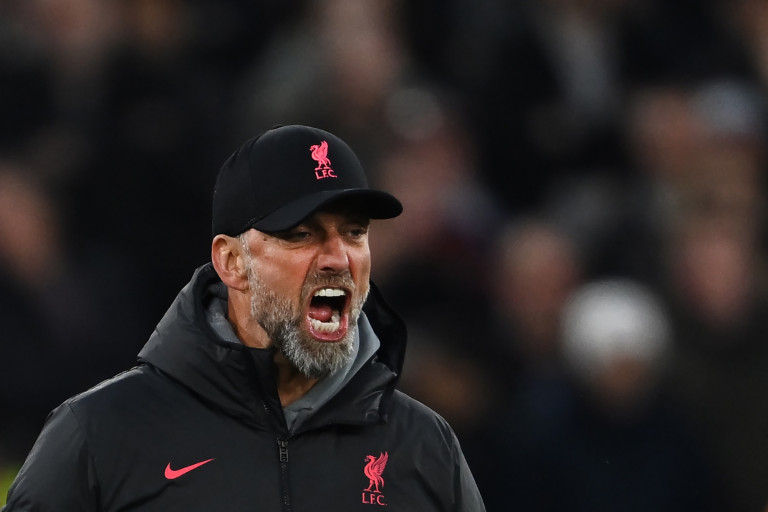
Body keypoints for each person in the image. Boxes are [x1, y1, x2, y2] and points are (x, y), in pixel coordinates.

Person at [3, 125, 486, 511]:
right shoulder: (101, 435)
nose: (338, 257)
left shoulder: (424, 446)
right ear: (232, 262)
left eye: (355, 233)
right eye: (301, 235)